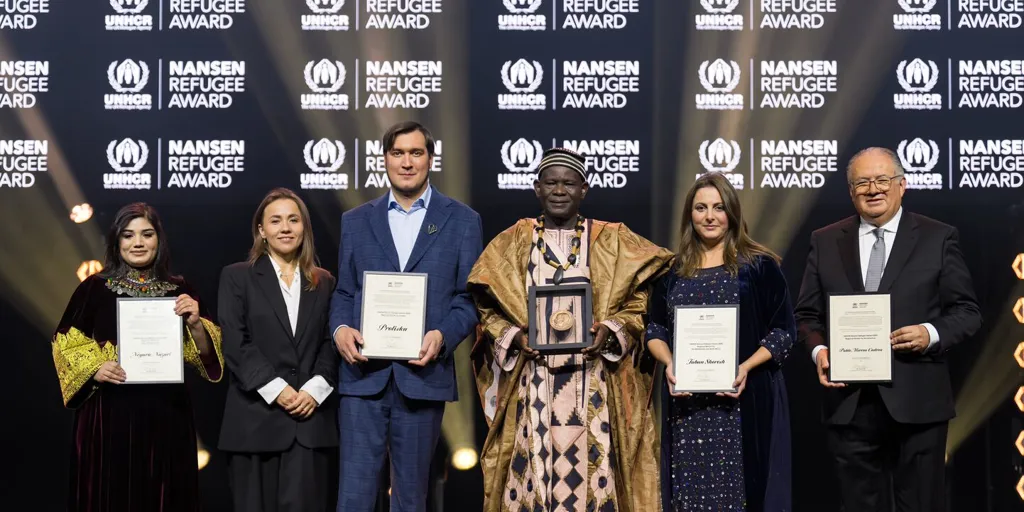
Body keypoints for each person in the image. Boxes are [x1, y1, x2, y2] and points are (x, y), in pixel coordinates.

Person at [467, 147, 674, 512]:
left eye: (568, 183)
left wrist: (610, 331)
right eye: (551, 182)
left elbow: (640, 303)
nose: (559, 190)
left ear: (584, 190)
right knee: (530, 482)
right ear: (536, 188)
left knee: (597, 480)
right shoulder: (511, 243)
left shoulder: (612, 241)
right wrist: (517, 337)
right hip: (533, 390)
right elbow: (487, 309)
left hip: (593, 388)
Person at [794, 147, 982, 512]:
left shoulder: (938, 237)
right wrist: (819, 352)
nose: (873, 189)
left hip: (918, 400)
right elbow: (806, 314)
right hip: (850, 402)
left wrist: (931, 333)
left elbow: (968, 312)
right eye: (862, 182)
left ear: (902, 185)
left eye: (882, 180)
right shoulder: (825, 239)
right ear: (851, 192)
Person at [329, 121, 483, 511]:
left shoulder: (462, 220)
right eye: (398, 153)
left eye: (416, 153)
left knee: (412, 498)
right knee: (354, 496)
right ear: (385, 160)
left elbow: (468, 300)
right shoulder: (356, 220)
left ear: (431, 159)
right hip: (363, 376)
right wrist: (341, 328)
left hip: (421, 374)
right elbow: (345, 291)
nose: (407, 162)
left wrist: (443, 336)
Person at [51, 202, 224, 512]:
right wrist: (95, 368)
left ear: (159, 240)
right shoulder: (94, 288)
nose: (138, 243)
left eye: (147, 234)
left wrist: (196, 324)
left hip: (166, 415)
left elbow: (209, 358)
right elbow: (65, 343)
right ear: (117, 242)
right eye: (128, 235)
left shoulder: (180, 289)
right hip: (107, 416)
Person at [644, 172, 794, 511]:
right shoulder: (672, 271)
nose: (710, 216)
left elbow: (784, 332)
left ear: (733, 213)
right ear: (690, 215)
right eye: (700, 208)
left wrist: (745, 367)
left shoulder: (758, 267)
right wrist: (669, 364)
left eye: (718, 207)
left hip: (741, 403)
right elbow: (654, 330)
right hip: (687, 408)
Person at [218, 188, 340, 512]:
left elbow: (332, 342)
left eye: (293, 220)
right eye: (275, 221)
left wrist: (314, 390)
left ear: (304, 228)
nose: (285, 228)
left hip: (309, 421)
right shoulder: (236, 277)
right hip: (254, 422)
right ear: (261, 230)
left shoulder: (325, 281)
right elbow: (235, 341)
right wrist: (278, 389)